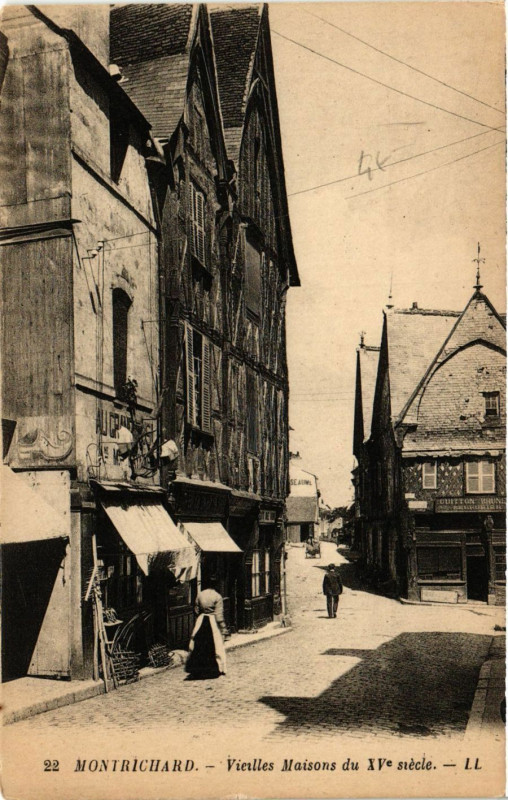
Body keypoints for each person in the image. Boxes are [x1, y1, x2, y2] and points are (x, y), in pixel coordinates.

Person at [185, 579, 227, 679]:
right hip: (212, 621)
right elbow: (219, 616)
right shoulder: (217, 596)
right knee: (216, 646)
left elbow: (196, 610)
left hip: (201, 620)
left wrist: (200, 616)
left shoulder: (200, 595)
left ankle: (198, 669)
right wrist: (224, 628)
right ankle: (218, 668)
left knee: (198, 644)